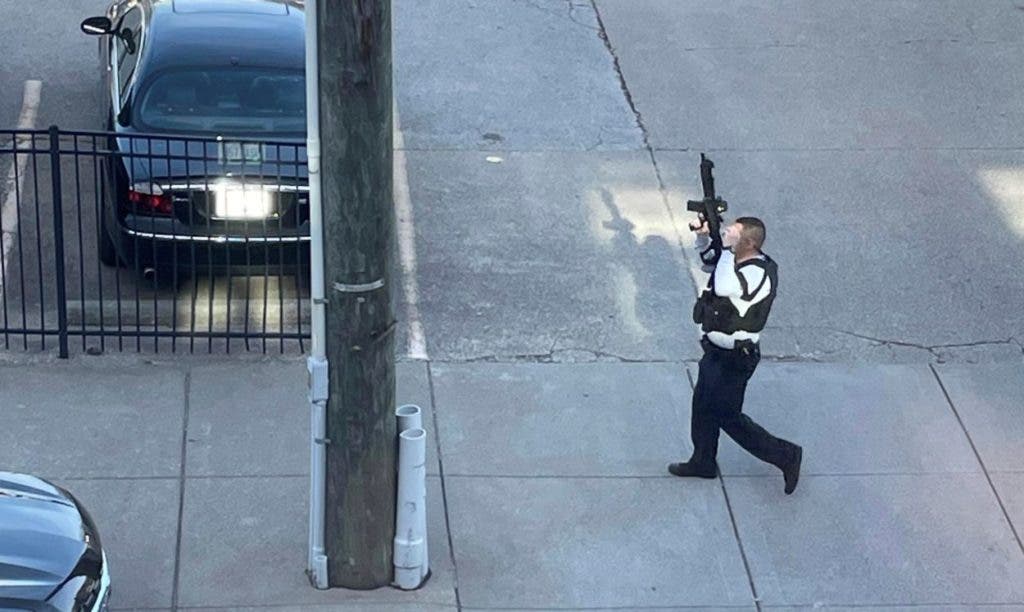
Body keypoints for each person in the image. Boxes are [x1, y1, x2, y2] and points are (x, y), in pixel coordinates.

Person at [668, 216, 803, 494]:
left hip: (736, 359)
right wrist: (705, 237)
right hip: (716, 352)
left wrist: (726, 250)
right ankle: (702, 461)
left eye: (734, 233)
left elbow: (725, 287)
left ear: (749, 242)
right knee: (703, 407)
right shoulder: (733, 260)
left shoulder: (759, 272)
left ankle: (786, 455)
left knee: (728, 417)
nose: (727, 232)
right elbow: (709, 263)